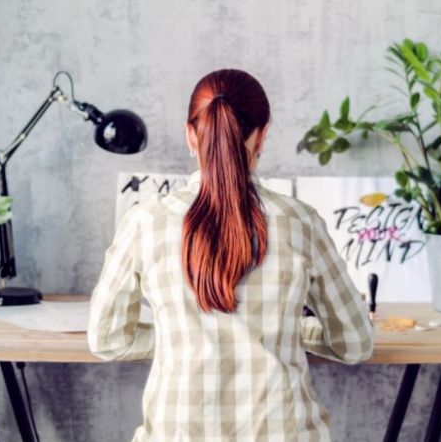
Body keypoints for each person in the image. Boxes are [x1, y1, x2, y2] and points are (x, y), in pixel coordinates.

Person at [88, 68, 374, 441]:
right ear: (262, 135)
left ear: (191, 135)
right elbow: (355, 343)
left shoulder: (144, 221)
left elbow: (107, 340)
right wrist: (288, 330)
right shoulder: (299, 222)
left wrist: (187, 335)